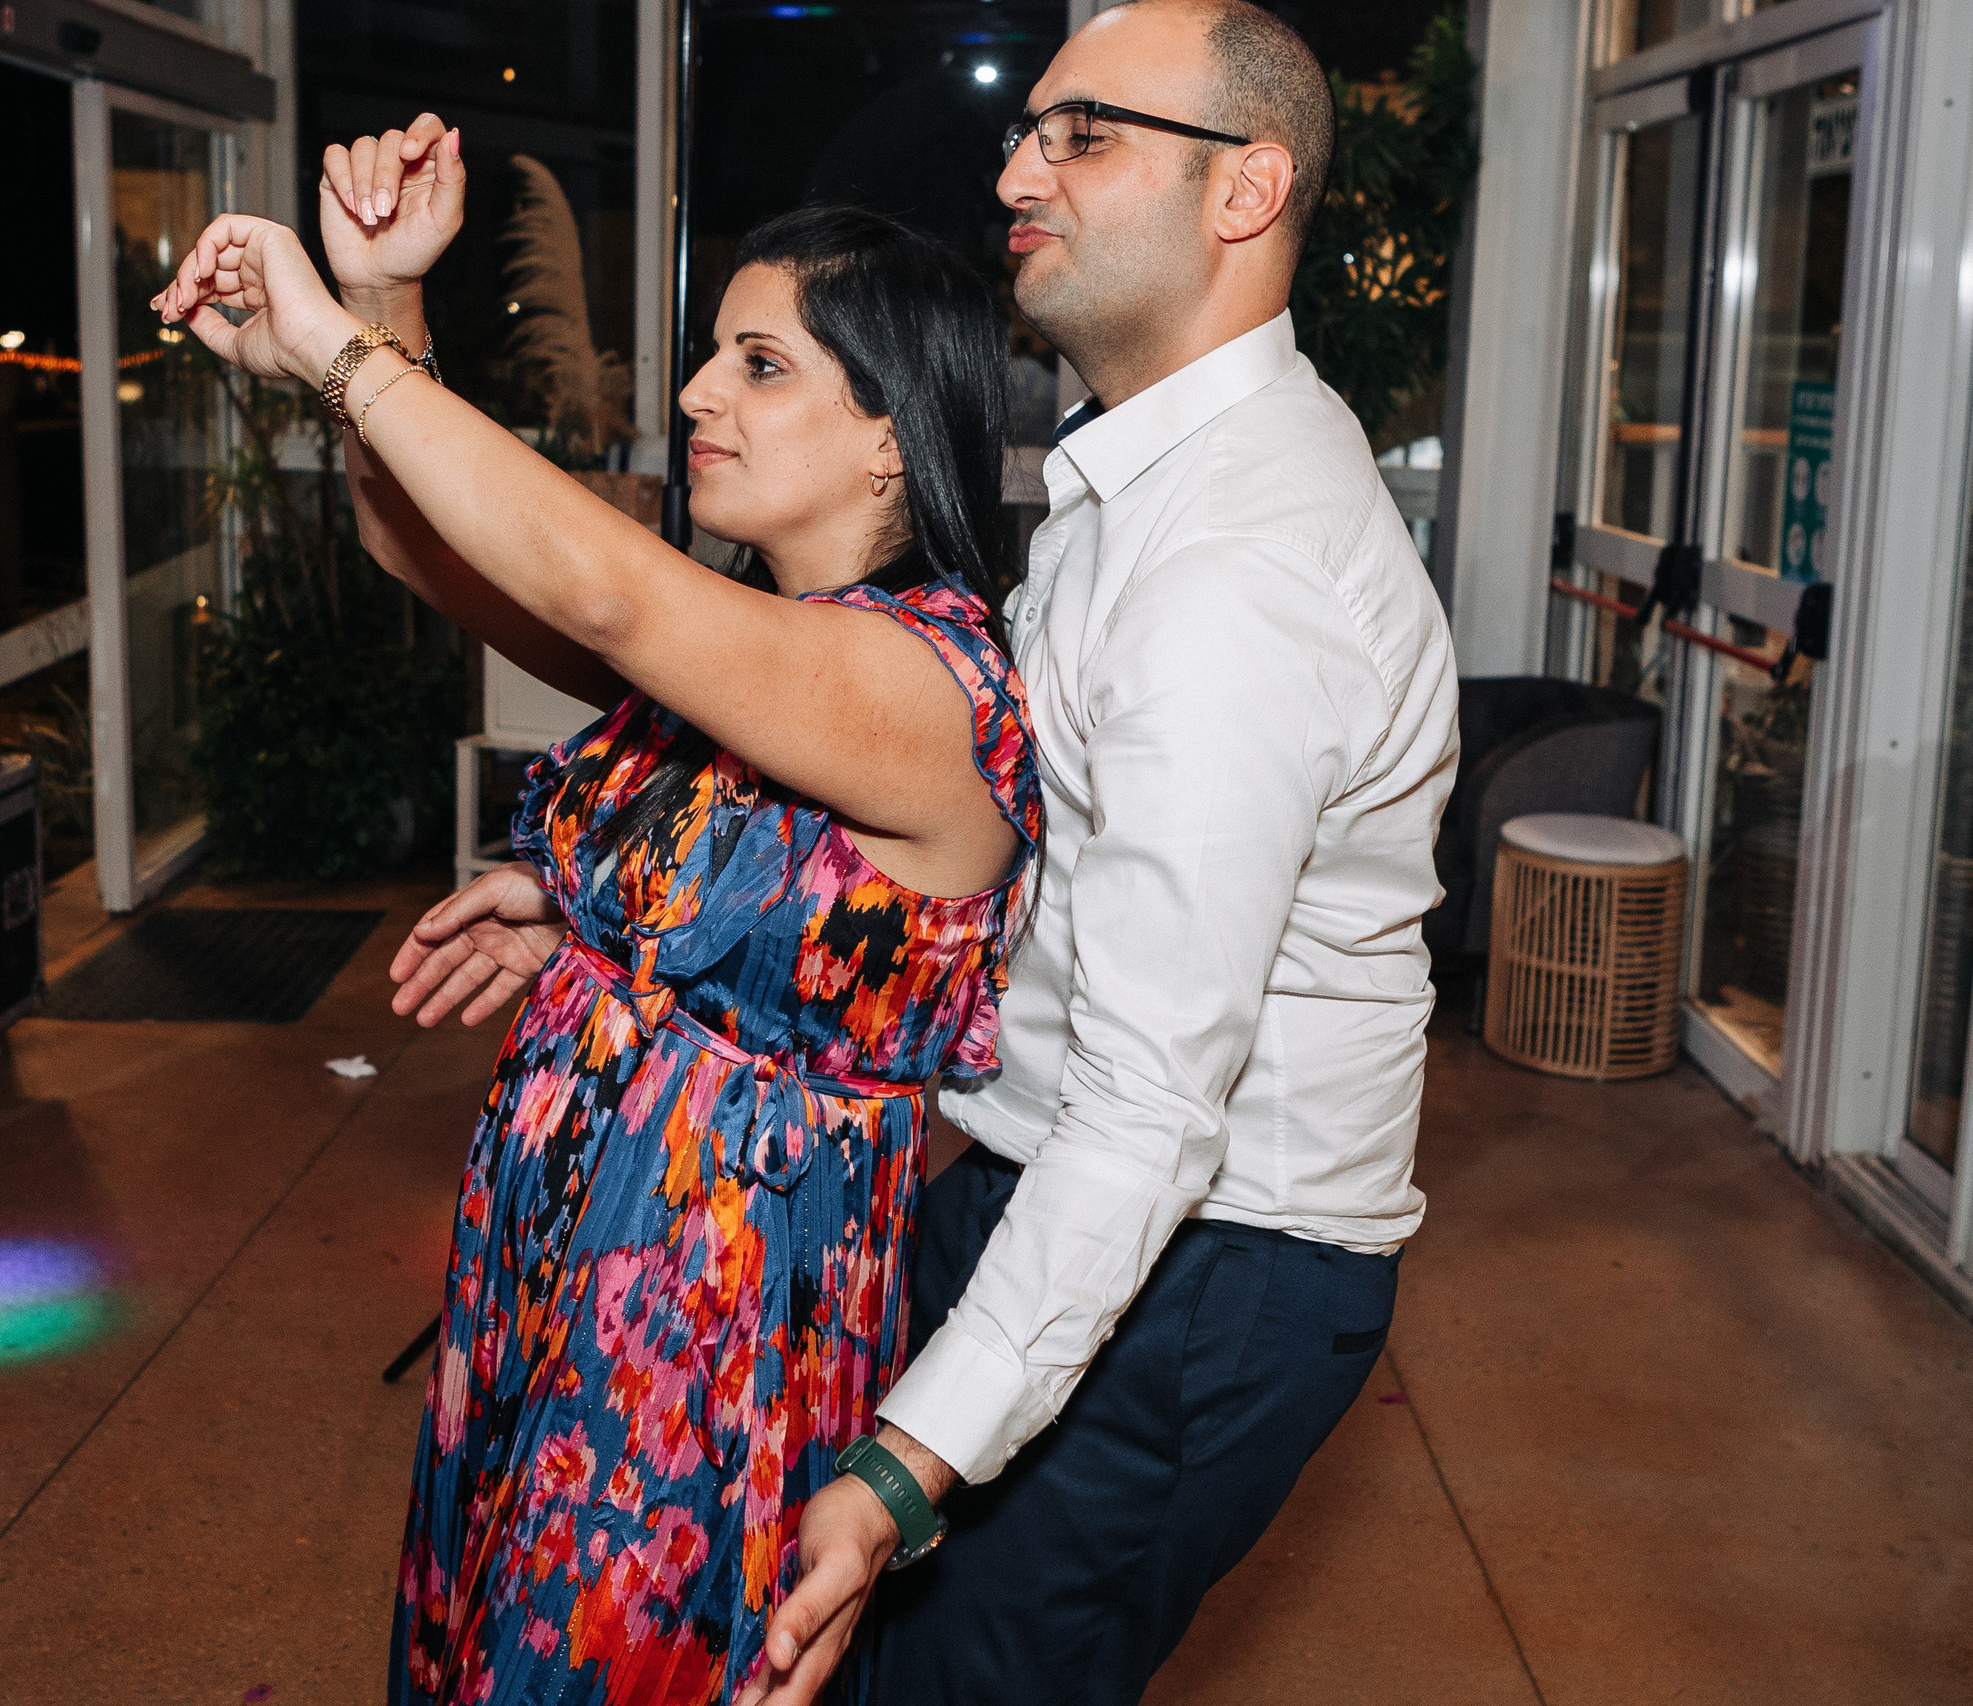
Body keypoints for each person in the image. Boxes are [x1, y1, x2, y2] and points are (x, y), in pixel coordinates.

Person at [150, 160, 1043, 1701]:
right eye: (714, 351)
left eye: (761, 365)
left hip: (709, 1324)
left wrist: (336, 350)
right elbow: (425, 549)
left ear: (894, 437)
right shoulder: (762, 641)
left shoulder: (932, 687)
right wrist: (386, 296)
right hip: (552, 1264)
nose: (700, 389)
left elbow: (610, 599)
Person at [757, 3, 1462, 1701]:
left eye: (1084, 135)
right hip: (1071, 1188)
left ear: (1249, 192)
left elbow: (1156, 1100)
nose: (1017, 170)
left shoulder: (1236, 572)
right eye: (1032, 133)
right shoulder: (1143, 483)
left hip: (1204, 1266)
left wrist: (908, 1462)